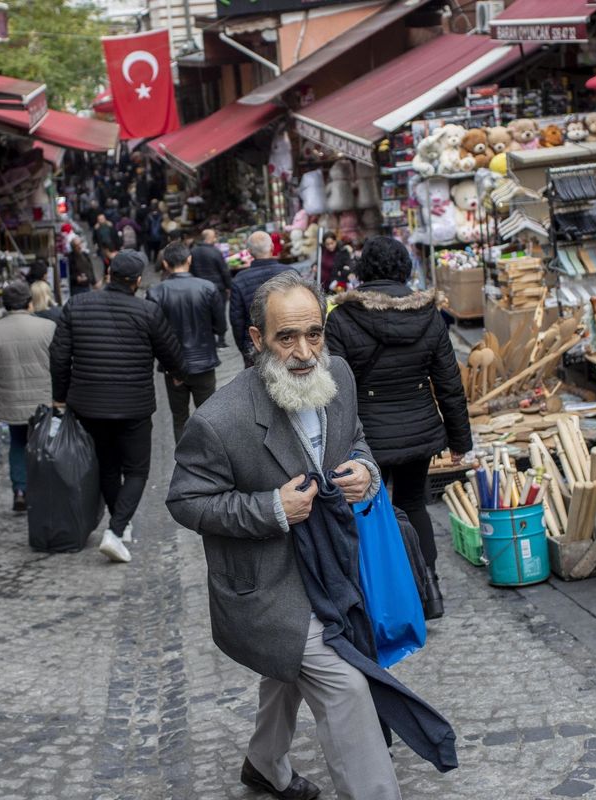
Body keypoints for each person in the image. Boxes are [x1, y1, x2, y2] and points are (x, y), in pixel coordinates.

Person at [167, 272, 404, 800]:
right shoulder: (218, 420)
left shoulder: (336, 373)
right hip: (270, 587)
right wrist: (270, 507)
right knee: (346, 686)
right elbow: (185, 501)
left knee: (286, 672)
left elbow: (355, 438)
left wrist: (365, 469)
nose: (304, 351)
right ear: (256, 341)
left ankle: (263, 763)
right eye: (286, 337)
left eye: (314, 334)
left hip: (333, 568)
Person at [325, 237, 471, 619]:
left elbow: (335, 389)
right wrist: (460, 440)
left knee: (369, 509)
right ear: (405, 270)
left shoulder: (340, 319)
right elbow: (449, 382)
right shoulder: (428, 314)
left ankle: (380, 600)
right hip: (419, 429)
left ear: (363, 272)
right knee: (413, 504)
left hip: (366, 434)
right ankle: (430, 591)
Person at [50, 251, 186, 563]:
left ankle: (119, 525)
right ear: (138, 281)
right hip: (133, 406)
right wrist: (179, 375)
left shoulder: (76, 305)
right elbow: (171, 352)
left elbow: (58, 356)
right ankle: (115, 530)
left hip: (87, 405)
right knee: (137, 469)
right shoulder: (147, 311)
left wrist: (60, 395)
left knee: (107, 466)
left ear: (108, 273)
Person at [0, 281, 56, 514]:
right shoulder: (48, 327)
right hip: (44, 400)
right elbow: (60, 365)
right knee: (45, 443)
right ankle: (46, 488)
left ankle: (21, 490)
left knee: (17, 443)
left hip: (11, 401)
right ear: (29, 303)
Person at [146, 241, 226, 444]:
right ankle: (211, 457)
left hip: (173, 367)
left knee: (180, 418)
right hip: (204, 363)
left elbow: (154, 334)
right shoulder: (207, 288)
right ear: (189, 260)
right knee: (210, 417)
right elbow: (220, 326)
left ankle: (185, 463)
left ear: (165, 264)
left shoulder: (156, 293)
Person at [230, 231, 297, 368]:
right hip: (289, 339)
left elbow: (237, 320)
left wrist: (244, 347)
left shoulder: (239, 280)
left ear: (249, 252)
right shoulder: (291, 272)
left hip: (256, 344)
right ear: (272, 247)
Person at [191, 229, 233, 348]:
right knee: (219, 312)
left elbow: (191, 269)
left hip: (200, 287)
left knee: (204, 313)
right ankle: (221, 339)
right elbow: (224, 271)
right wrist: (229, 286)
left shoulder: (193, 252)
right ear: (209, 238)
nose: (215, 239)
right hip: (217, 288)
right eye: (214, 237)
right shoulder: (215, 252)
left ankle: (209, 338)